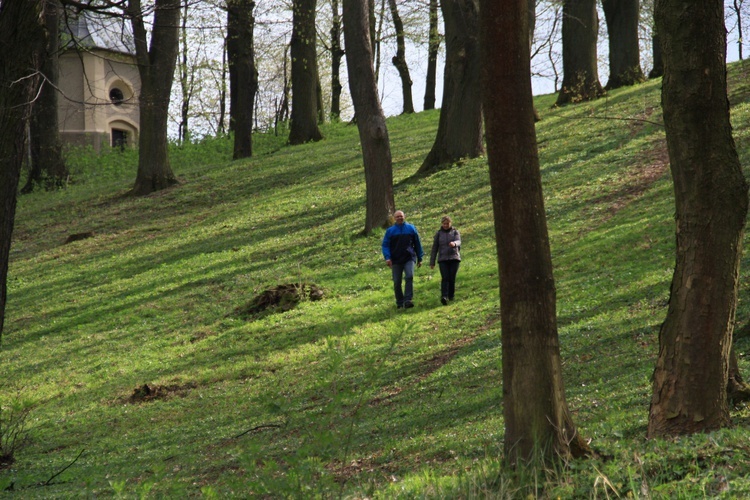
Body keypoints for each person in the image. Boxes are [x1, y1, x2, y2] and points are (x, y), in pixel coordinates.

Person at [382, 210, 424, 308]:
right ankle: (400, 302)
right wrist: (387, 258)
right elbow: (385, 245)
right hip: (395, 259)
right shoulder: (390, 231)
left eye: (401, 216)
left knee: (409, 276)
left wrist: (420, 257)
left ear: (404, 216)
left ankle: (408, 300)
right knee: (397, 282)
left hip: (409, 257)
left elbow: (417, 243)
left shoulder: (411, 228)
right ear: (394, 218)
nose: (399, 218)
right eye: (397, 217)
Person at [429, 215, 461, 305]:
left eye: (447, 223)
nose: (446, 225)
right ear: (442, 224)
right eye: (444, 224)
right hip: (443, 259)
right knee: (445, 277)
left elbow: (459, 241)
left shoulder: (455, 232)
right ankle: (444, 296)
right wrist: (432, 262)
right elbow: (434, 248)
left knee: (452, 278)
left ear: (450, 223)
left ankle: (451, 295)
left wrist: (454, 243)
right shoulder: (438, 234)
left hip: (454, 258)